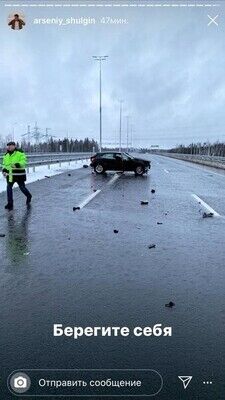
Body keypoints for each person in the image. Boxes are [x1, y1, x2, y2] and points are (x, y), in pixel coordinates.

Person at [2, 142, 32, 211]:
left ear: (14, 146)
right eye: (8, 146)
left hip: (19, 175)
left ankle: (29, 196)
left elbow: (24, 161)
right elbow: (4, 164)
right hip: (10, 176)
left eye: (11, 145)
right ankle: (10, 203)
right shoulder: (6, 155)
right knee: (9, 188)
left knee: (22, 188)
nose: (9, 147)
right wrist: (4, 170)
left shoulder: (20, 153)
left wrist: (17, 164)